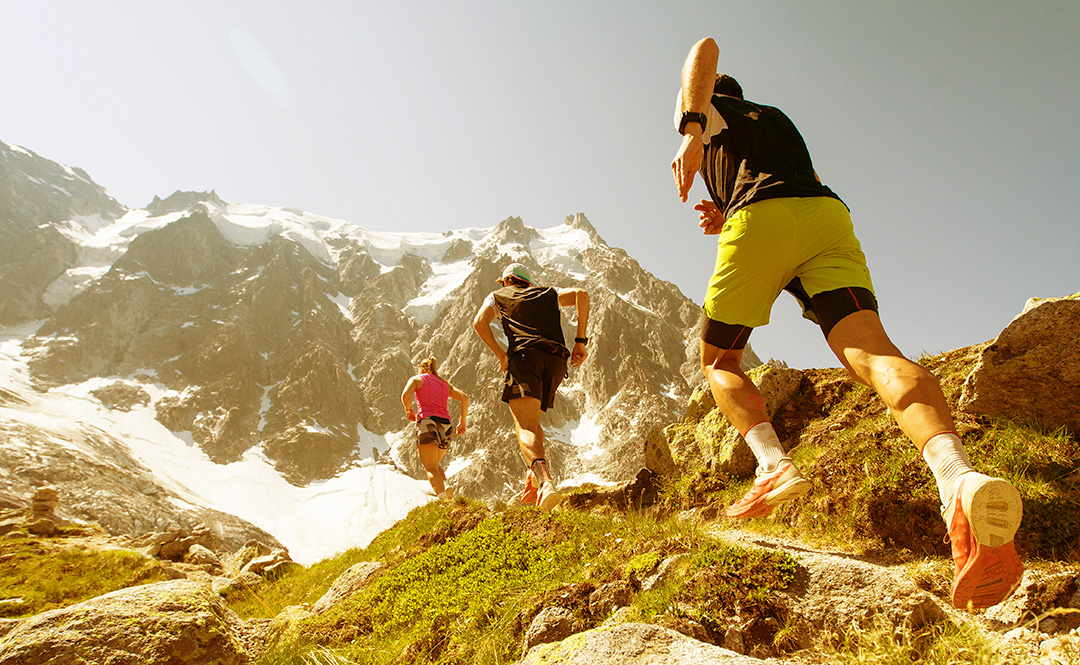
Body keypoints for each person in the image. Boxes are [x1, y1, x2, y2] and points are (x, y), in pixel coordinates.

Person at [669, 37, 1023, 609]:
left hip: (762, 222)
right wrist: (724, 207)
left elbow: (701, 49)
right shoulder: (772, 119)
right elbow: (762, 178)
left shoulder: (707, 111)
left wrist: (689, 127)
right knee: (874, 355)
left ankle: (773, 465)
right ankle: (957, 478)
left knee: (718, 361)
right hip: (824, 218)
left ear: (710, 100)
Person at [473, 263, 589, 511]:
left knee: (524, 424)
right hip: (557, 360)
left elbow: (479, 323)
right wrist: (580, 342)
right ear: (528, 282)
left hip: (526, 357)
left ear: (507, 281)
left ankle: (546, 483)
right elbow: (582, 295)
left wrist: (501, 355)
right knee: (533, 421)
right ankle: (533, 482)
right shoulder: (548, 292)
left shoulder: (497, 296)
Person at [401, 357, 469, 500]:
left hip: (428, 421)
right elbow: (464, 397)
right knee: (435, 464)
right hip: (446, 425)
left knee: (430, 466)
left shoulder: (417, 379)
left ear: (421, 369)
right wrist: (462, 421)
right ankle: (445, 485)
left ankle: (442, 498)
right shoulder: (445, 384)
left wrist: (408, 410)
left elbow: (405, 395)